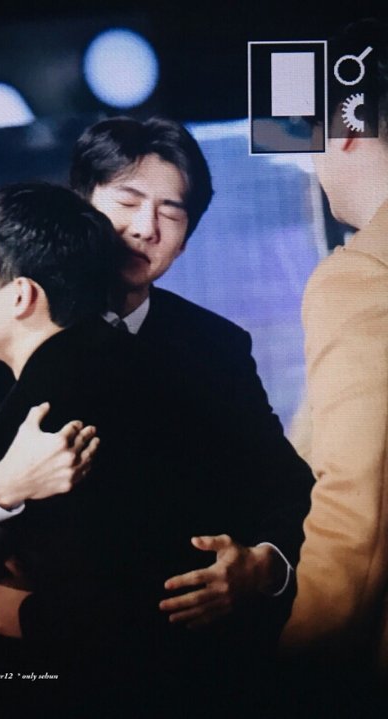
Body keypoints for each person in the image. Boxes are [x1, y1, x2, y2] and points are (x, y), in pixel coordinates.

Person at [0, 117, 312, 628]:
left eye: (171, 212)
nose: (146, 227)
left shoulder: (215, 347)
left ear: (186, 239)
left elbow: (284, 491)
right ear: (81, 204)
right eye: (127, 201)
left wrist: (263, 567)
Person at [279, 17, 388, 692]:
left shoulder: (361, 276)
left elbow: (357, 531)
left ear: (347, 129)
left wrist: (284, 667)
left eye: (310, 138)